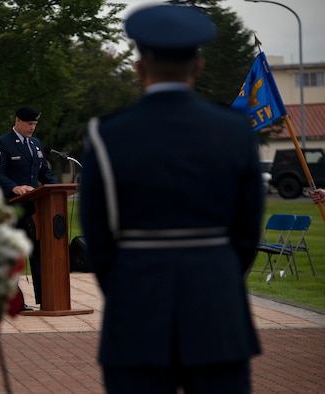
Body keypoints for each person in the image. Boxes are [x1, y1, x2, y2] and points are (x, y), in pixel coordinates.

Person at [79, 4, 264, 393]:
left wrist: (127, 286)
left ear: (138, 66)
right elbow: (246, 233)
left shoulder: (107, 135)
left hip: (136, 304)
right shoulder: (234, 131)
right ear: (198, 66)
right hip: (218, 307)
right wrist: (218, 273)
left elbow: (98, 237)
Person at [0, 106, 58, 310]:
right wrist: (14, 187)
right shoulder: (2, 143)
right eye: (29, 124)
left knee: (38, 253)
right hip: (10, 208)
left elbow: (45, 173)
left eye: (35, 124)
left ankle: (46, 299)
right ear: (18, 121)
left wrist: (57, 189)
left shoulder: (36, 145)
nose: (32, 128)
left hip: (34, 210)